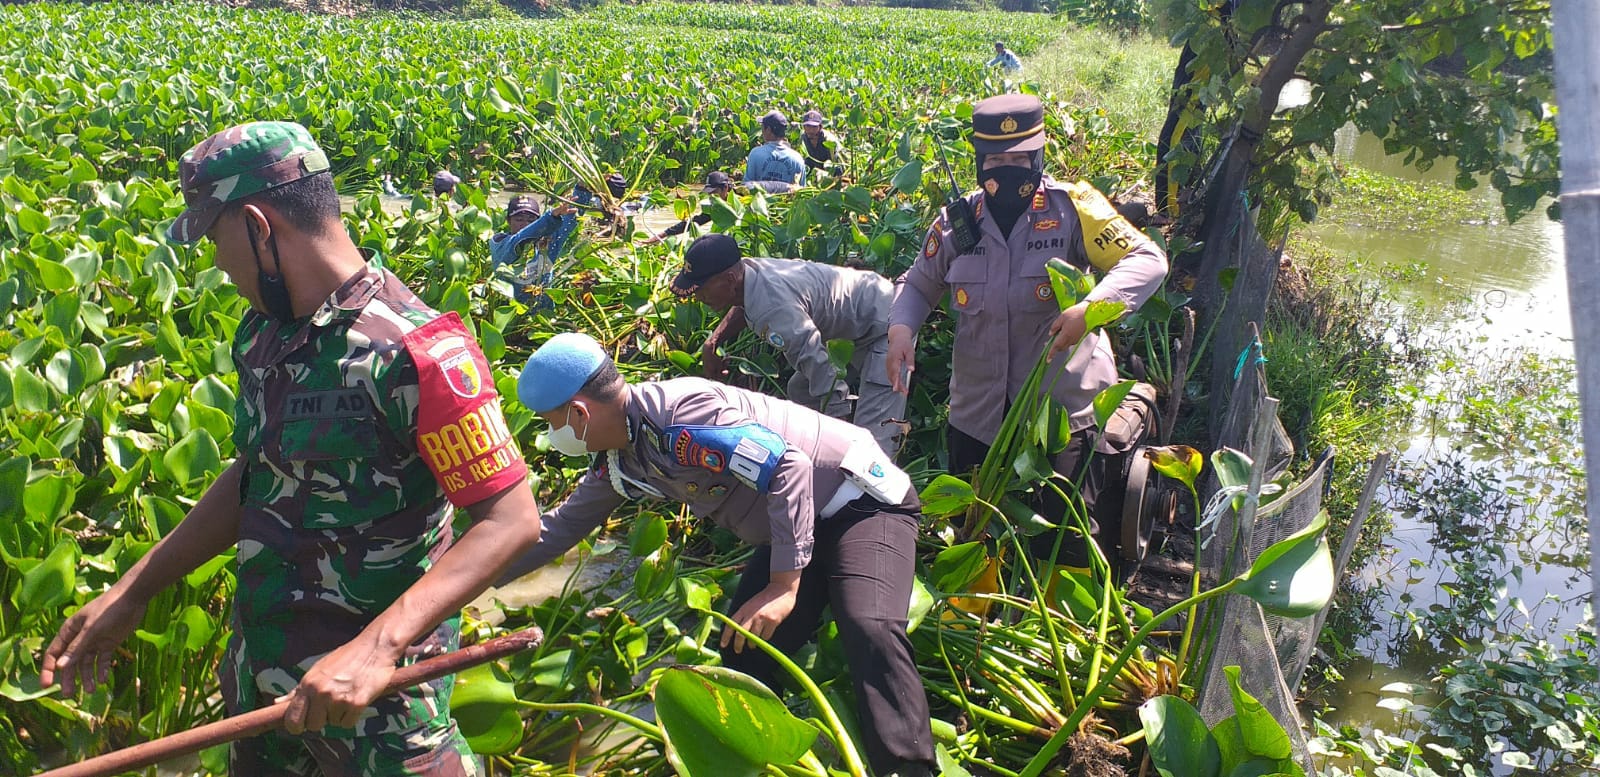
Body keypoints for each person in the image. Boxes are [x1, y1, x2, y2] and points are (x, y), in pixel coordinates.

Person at [41, 121, 544, 774]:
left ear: (257, 225)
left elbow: (512, 519)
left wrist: (374, 648)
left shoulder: (417, 352)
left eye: (216, 239)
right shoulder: (264, 333)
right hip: (263, 694)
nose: (217, 263)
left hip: (376, 716)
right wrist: (137, 587)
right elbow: (259, 470)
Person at [500, 333, 935, 777]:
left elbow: (790, 467)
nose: (554, 437)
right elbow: (557, 531)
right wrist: (459, 582)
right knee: (743, 650)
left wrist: (784, 586)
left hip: (859, 503)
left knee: (869, 625)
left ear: (579, 412)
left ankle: (909, 766)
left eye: (552, 423)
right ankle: (771, 760)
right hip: (797, 526)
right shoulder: (624, 456)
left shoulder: (679, 419)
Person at [886, 94, 1168, 573]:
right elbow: (918, 283)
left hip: (1059, 414)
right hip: (977, 415)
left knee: (1066, 538)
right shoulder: (958, 223)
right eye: (997, 159)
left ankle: (1059, 630)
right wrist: (900, 327)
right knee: (972, 532)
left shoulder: (1074, 208)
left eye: (1020, 158)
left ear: (1038, 156)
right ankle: (977, 626)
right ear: (979, 161)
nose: (1008, 169)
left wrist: (1091, 308)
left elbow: (1148, 260)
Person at [673, 234, 906, 457]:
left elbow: (818, 365)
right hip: (854, 325)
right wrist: (713, 342)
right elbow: (743, 304)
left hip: (889, 324)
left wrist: (838, 437)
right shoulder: (749, 272)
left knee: (876, 444)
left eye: (701, 289)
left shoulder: (773, 309)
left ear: (729, 279)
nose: (697, 296)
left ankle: (875, 492)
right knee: (801, 391)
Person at [488, 193, 578, 310]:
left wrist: (582, 189)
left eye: (531, 221)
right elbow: (522, 238)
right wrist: (551, 217)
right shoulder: (502, 244)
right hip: (512, 319)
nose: (525, 224)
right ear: (508, 221)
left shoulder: (547, 244)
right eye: (519, 220)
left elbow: (569, 218)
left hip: (543, 317)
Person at [641, 171, 734, 245]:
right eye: (709, 193)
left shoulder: (741, 201)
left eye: (714, 192)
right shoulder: (717, 206)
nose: (711, 196)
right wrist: (662, 235)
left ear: (725, 188)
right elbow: (694, 222)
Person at [744, 110, 806, 194]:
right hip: (787, 205)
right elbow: (801, 191)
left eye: (763, 127)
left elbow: (747, 187)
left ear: (768, 130)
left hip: (760, 205)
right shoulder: (797, 158)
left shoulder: (756, 154)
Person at [799, 110, 843, 176]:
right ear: (804, 127)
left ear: (820, 127)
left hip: (830, 173)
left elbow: (836, 165)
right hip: (813, 171)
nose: (811, 130)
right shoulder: (803, 138)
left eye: (814, 127)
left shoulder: (829, 140)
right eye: (808, 126)